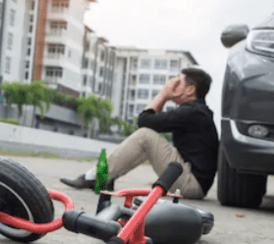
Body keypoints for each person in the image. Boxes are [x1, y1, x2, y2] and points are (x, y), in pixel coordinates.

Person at [60, 68, 219, 199]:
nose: (171, 86)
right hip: (190, 179)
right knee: (146, 137)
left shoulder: (192, 112)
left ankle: (94, 177)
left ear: (190, 89)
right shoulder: (197, 112)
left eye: (177, 83)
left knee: (145, 135)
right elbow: (150, 121)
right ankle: (103, 178)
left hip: (190, 184)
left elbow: (144, 121)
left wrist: (163, 94)